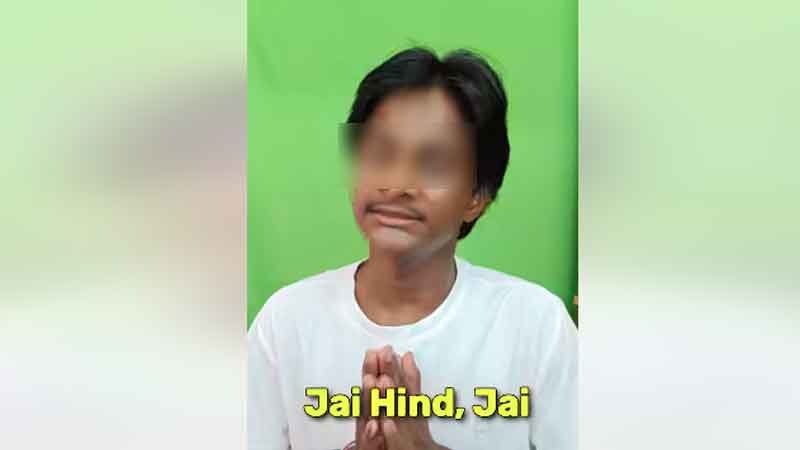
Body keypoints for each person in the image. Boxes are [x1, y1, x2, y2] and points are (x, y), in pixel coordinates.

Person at [248, 47, 577, 450]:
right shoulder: (286, 323)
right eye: (379, 154)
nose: (397, 184)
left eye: (433, 164)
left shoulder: (536, 326)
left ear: (477, 195)